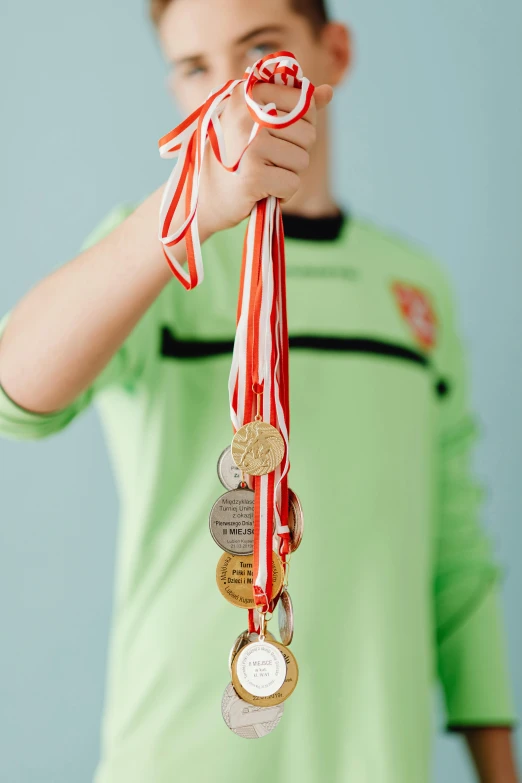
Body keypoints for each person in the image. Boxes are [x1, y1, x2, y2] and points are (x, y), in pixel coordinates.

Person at [0, 0, 518, 781]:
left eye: (261, 51)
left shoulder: (416, 289)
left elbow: (455, 555)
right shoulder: (158, 261)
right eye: (195, 68)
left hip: (376, 761)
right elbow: (16, 395)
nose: (232, 94)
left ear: (333, 54)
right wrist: (179, 219)